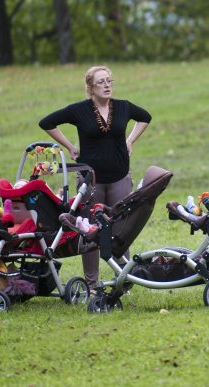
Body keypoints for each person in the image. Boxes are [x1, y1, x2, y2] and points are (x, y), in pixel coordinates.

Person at [38, 65, 151, 291]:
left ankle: (124, 280)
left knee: (120, 229)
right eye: (101, 82)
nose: (107, 85)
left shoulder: (123, 107)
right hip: (91, 179)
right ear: (90, 88)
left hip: (119, 175)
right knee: (90, 231)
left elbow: (145, 117)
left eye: (109, 80)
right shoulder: (79, 110)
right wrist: (69, 146)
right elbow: (47, 122)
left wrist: (130, 141)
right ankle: (92, 285)